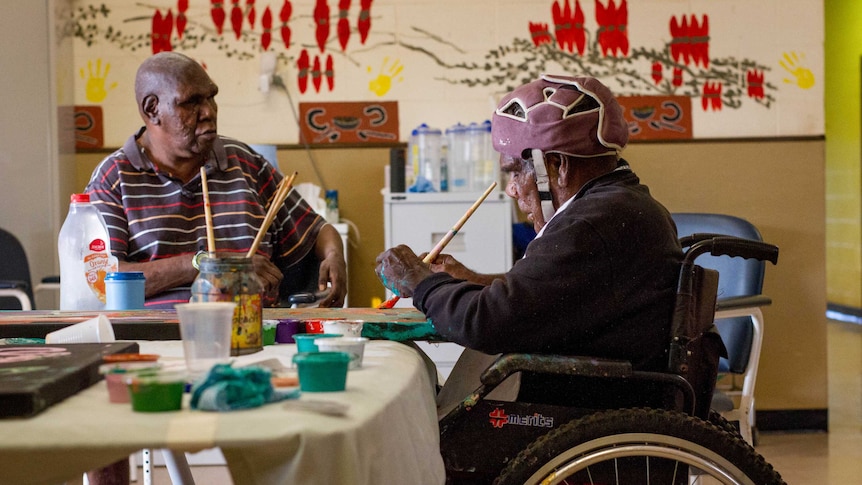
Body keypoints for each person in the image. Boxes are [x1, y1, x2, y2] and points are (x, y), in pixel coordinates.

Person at [376, 74, 686, 409]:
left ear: (557, 166)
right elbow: (552, 297)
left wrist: (422, 283)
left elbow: (488, 324)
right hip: (608, 389)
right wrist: (471, 281)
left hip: (590, 404)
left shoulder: (590, 223)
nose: (511, 189)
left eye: (514, 172)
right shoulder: (621, 204)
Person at [85, 52, 346, 309]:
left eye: (211, 98)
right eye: (191, 102)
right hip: (158, 339)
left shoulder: (245, 163)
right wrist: (211, 265)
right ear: (152, 109)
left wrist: (334, 255)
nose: (209, 112)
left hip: (258, 331)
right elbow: (102, 280)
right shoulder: (113, 179)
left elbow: (316, 230)